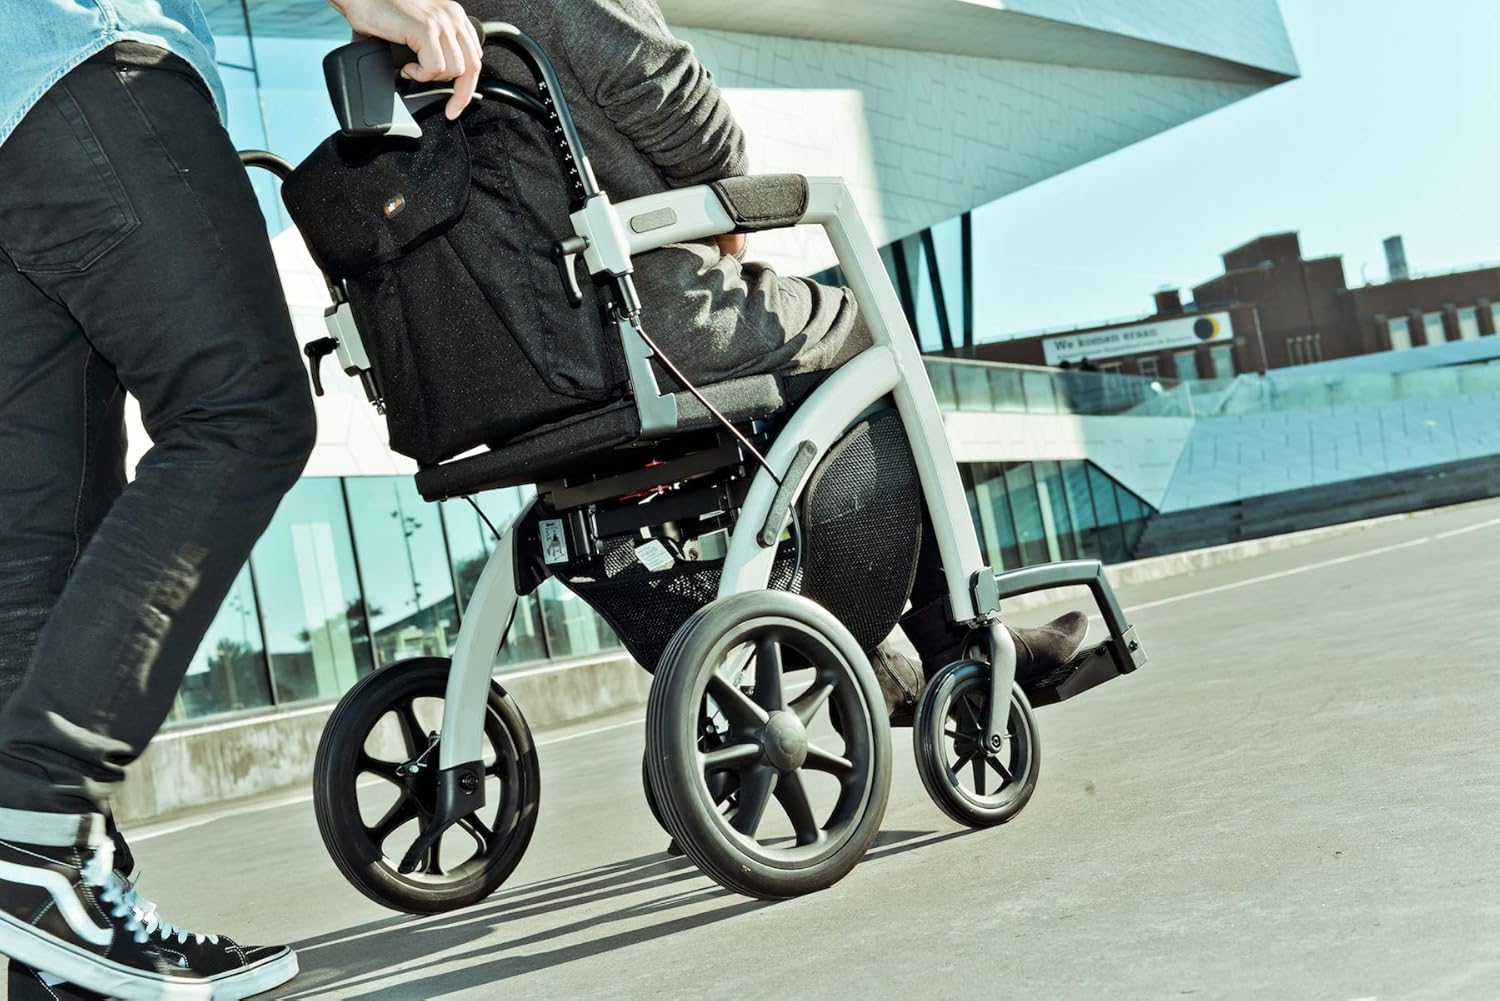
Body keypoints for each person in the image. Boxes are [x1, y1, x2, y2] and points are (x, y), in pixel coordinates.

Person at [0, 1, 483, 998]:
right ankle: (35, 819)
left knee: (42, 535)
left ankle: (57, 939)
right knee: (243, 408)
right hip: (84, 57)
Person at [463, 0, 1089, 720]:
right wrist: (726, 199)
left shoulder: (398, 24)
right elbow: (675, 105)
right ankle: (955, 635)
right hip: (644, 322)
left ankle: (865, 649)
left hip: (510, 370)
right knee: (864, 337)